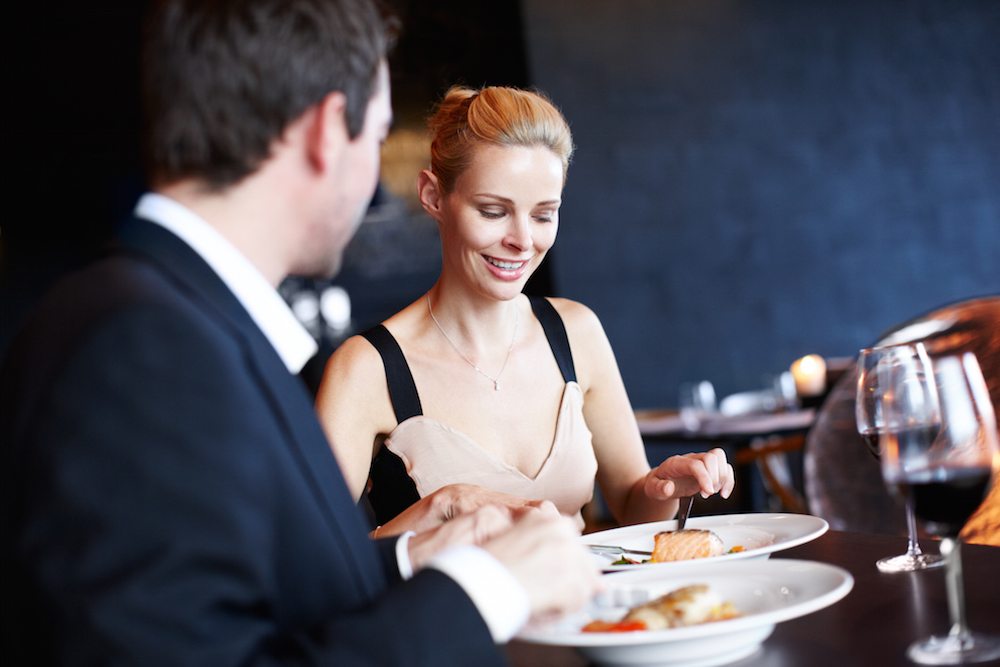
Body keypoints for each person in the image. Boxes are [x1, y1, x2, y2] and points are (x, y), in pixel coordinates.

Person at [0, 1, 600, 664]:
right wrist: (487, 588)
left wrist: (411, 554)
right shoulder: (142, 350)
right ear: (323, 132)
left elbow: (243, 604)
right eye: (375, 136)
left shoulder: (174, 322)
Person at [315, 85, 736, 537]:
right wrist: (445, 506)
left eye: (543, 215)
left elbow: (633, 507)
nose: (523, 240)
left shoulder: (576, 332)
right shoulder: (365, 370)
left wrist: (663, 489)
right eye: (494, 211)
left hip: (594, 607)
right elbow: (315, 567)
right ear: (434, 196)